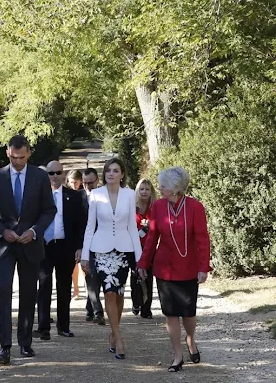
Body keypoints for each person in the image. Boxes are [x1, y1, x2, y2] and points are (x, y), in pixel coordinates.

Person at [0, 135, 56, 365]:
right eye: (14, 158)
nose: (18, 162)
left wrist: (34, 231)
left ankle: (25, 343)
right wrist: (2, 230)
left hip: (30, 244)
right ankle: (4, 346)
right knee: (4, 291)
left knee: (28, 293)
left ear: (29, 153)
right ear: (7, 153)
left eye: (22, 158)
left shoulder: (40, 176)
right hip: (4, 245)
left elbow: (49, 211)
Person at [137, 167, 211, 372]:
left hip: (188, 267)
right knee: (170, 313)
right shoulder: (158, 206)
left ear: (175, 187)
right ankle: (177, 356)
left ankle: (191, 340)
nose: (159, 188)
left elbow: (203, 239)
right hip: (164, 269)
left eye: (163, 185)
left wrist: (204, 267)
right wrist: (143, 262)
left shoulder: (195, 207)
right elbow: (152, 237)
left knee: (188, 313)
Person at [81, 158, 142, 360]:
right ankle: (119, 338)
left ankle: (113, 332)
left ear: (122, 174)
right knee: (108, 293)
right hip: (101, 250)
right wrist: (85, 256)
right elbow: (90, 226)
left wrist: (139, 257)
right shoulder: (96, 195)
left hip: (124, 250)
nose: (111, 174)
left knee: (119, 294)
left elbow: (133, 227)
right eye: (108, 170)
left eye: (115, 171)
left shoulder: (129, 194)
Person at [33, 161, 87, 340]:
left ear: (63, 174)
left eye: (58, 172)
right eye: (51, 173)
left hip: (65, 247)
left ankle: (63, 326)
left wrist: (80, 247)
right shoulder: (38, 196)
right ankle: (43, 327)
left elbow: (81, 224)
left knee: (64, 286)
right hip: (44, 247)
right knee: (44, 285)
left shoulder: (74, 196)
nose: (54, 176)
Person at [130, 178, 157, 319]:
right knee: (135, 277)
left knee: (148, 277)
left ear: (151, 191)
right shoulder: (132, 207)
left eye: (147, 189)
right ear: (138, 191)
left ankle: (147, 308)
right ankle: (136, 302)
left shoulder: (155, 208)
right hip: (134, 247)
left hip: (150, 247)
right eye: (142, 189)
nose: (144, 192)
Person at [81, 167, 105, 325]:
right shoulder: (78, 198)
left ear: (97, 180)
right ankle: (98, 312)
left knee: (98, 277)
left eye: (91, 182)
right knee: (91, 275)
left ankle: (90, 308)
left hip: (103, 241)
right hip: (85, 243)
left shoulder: (105, 196)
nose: (88, 185)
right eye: (85, 183)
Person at [66, 169, 88, 300]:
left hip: (83, 230)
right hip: (70, 233)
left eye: (76, 182)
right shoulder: (65, 194)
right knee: (73, 264)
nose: (74, 185)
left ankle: (86, 288)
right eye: (72, 182)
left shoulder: (84, 194)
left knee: (84, 263)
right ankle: (75, 289)